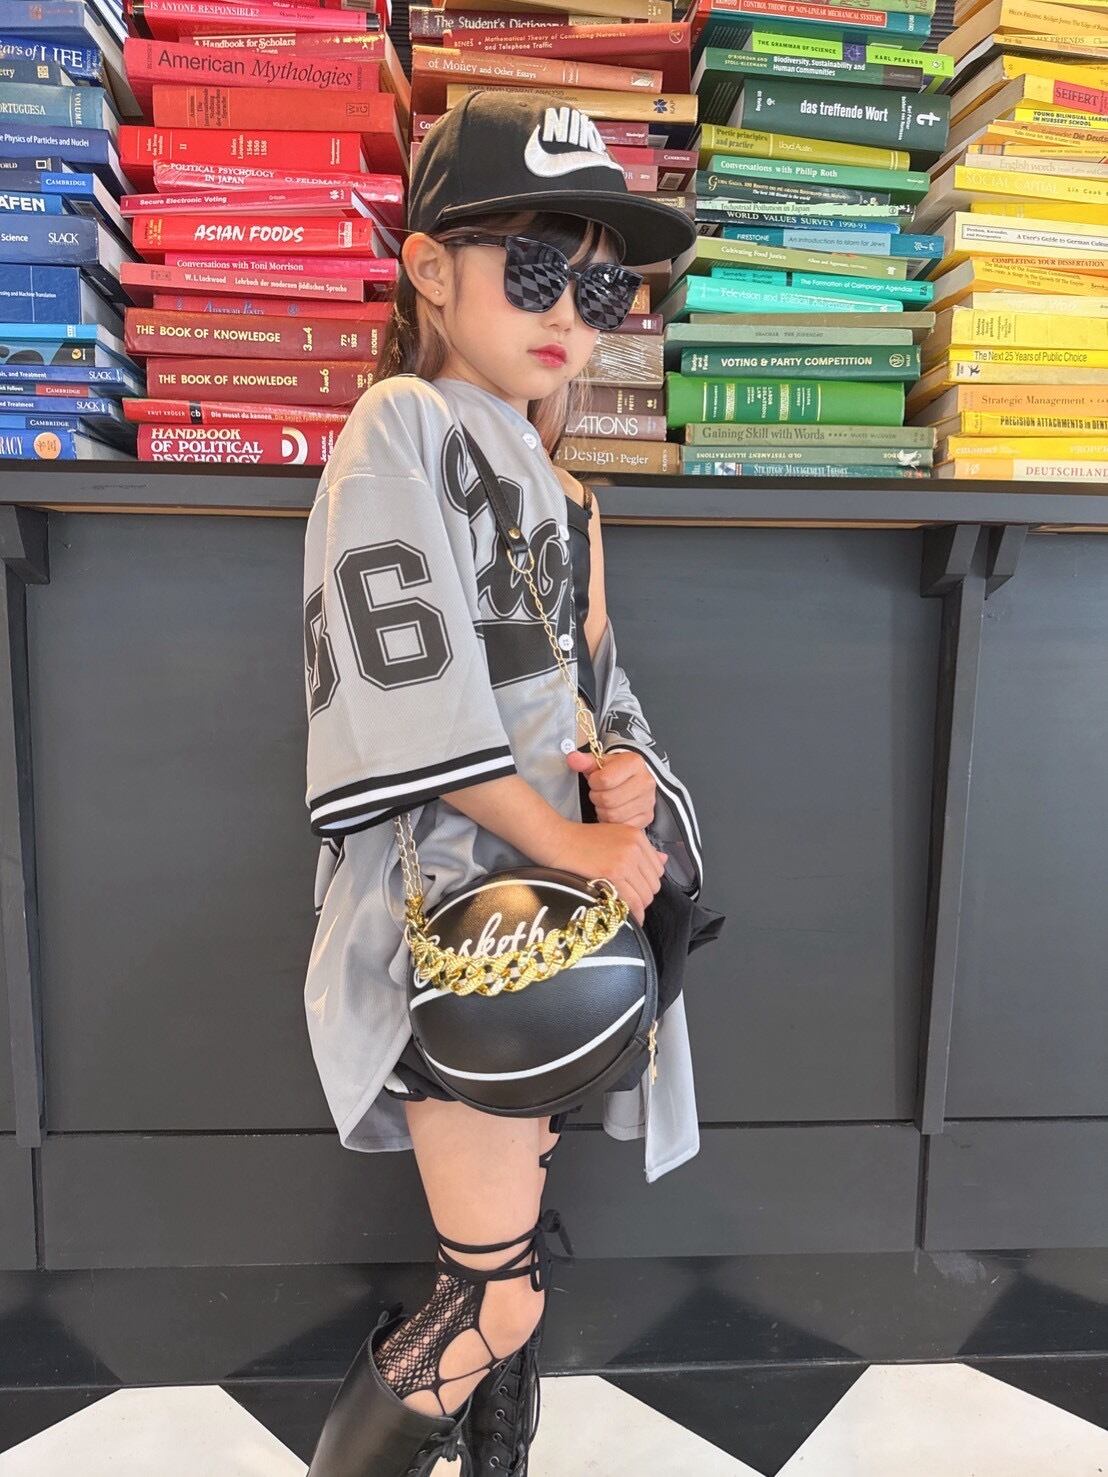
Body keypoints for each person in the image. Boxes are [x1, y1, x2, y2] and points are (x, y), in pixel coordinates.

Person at [300, 89, 715, 1476]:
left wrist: (625, 780)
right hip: (459, 917)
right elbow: (401, 680)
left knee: (506, 1261)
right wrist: (561, 833)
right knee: (495, 1296)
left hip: (551, 920)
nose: (571, 317)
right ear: (429, 267)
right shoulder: (400, 426)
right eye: (537, 269)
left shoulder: (570, 495)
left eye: (602, 290)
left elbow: (603, 691)